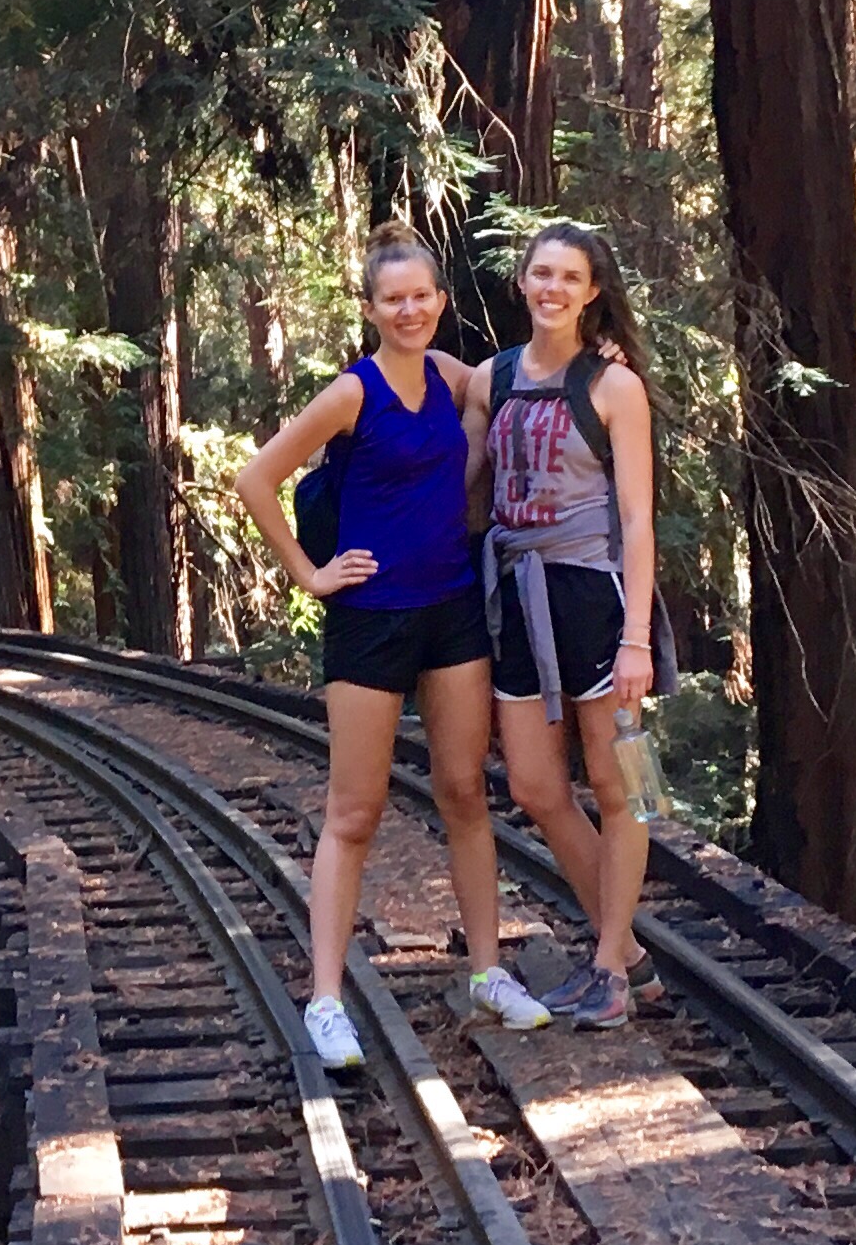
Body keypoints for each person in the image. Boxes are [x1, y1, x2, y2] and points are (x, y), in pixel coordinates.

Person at [232, 225, 548, 1072]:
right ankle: (326, 1001)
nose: (409, 310)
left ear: (440, 302)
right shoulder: (352, 393)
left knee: (464, 793)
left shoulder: (449, 376)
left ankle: (487, 972)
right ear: (370, 309)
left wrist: (603, 359)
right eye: (392, 299)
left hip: (452, 610)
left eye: (421, 296)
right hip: (370, 617)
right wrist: (310, 575)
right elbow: (255, 478)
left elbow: (530, 377)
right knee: (354, 811)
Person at [468, 220, 669, 1029]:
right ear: (522, 281)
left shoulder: (614, 386)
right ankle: (629, 957)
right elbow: (466, 475)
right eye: (541, 274)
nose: (552, 288)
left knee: (624, 789)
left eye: (570, 277)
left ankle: (609, 971)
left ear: (592, 293)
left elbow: (639, 519)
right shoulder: (491, 378)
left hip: (595, 600)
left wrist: (637, 639)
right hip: (518, 601)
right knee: (534, 786)